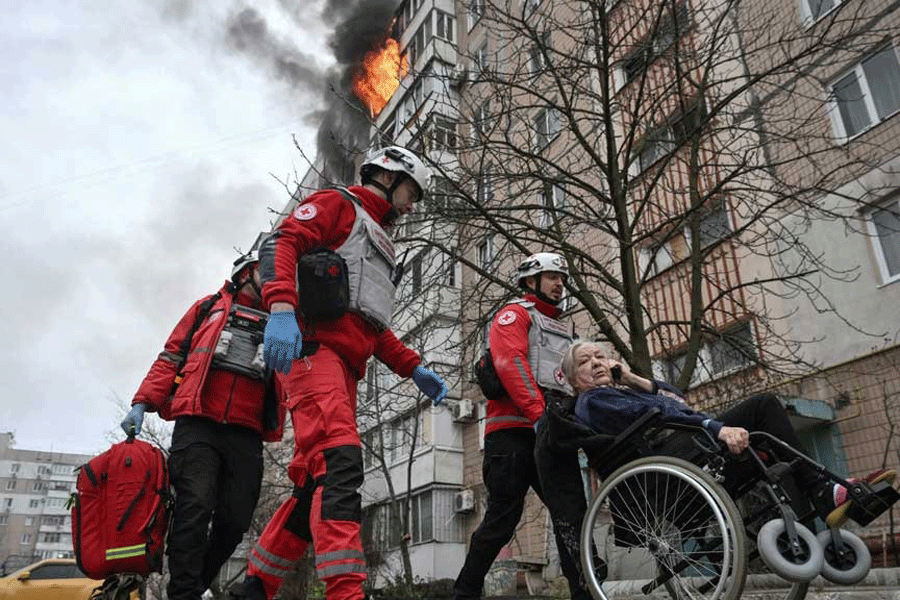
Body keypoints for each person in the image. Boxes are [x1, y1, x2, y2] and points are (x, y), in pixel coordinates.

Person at [228, 146, 448, 600]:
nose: (412, 205)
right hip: (314, 353)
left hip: (344, 368)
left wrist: (414, 368)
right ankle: (346, 592)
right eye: (412, 192)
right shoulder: (338, 205)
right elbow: (281, 243)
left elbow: (367, 325)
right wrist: (283, 308)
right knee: (341, 464)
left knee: (314, 486)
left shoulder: (382, 243)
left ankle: (254, 589)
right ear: (388, 177)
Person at [562, 340, 897, 527]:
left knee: (770, 443)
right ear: (575, 380)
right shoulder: (593, 401)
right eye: (584, 361)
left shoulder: (621, 391)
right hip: (677, 460)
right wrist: (715, 428)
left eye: (600, 356)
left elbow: (678, 400)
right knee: (762, 408)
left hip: (686, 449)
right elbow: (662, 413)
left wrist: (632, 378)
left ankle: (825, 497)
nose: (597, 362)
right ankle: (826, 492)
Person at [120, 250, 285, 600]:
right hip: (198, 424)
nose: (274, 278)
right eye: (266, 271)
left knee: (236, 519)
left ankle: (194, 584)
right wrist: (141, 402)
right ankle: (182, 592)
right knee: (194, 506)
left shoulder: (284, 320)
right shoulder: (207, 308)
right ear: (245, 274)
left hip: (247, 430)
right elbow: (170, 357)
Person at [454, 252, 587, 600]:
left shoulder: (565, 328)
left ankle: (585, 591)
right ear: (531, 281)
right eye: (552, 276)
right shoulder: (513, 315)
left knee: (572, 515)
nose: (560, 283)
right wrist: (539, 415)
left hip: (551, 432)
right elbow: (510, 363)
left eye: (563, 278)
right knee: (502, 519)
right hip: (511, 434)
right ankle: (464, 593)